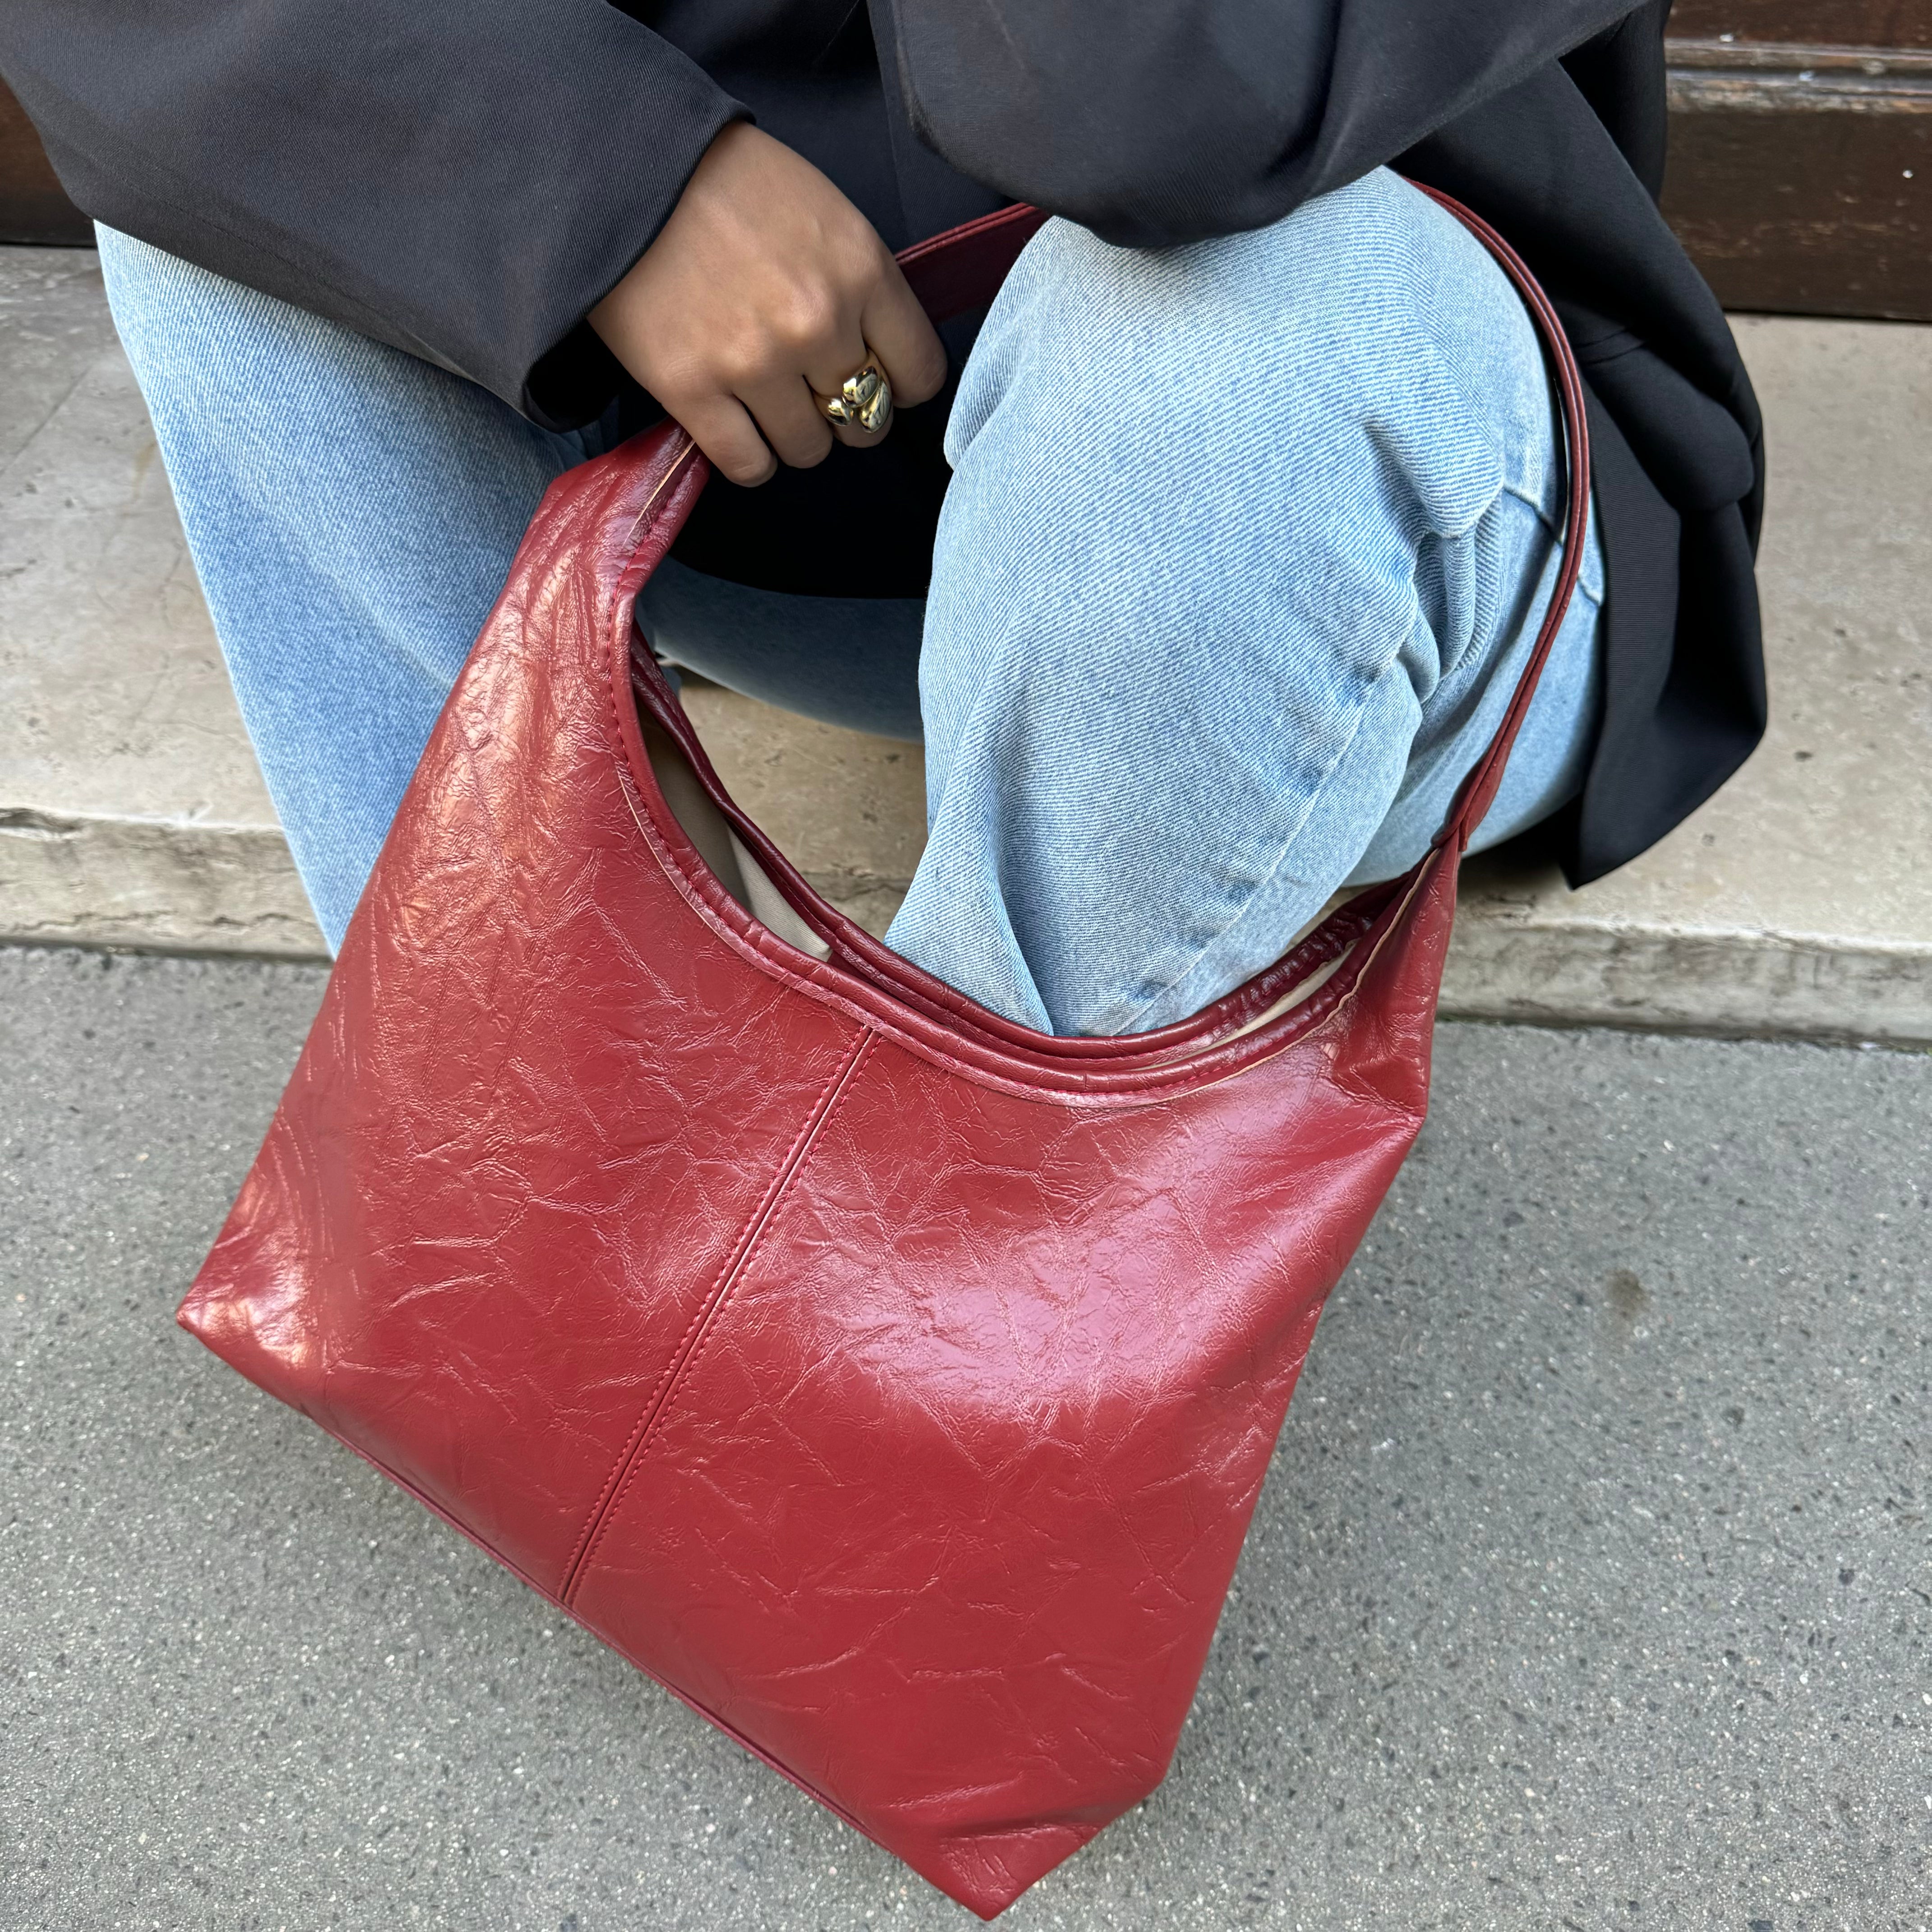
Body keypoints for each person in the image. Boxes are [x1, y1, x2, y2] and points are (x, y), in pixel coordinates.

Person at [0, 0, 1762, 1037]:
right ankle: (541, 1158)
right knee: (263, 187)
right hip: (751, 485)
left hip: (1340, 538)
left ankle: (936, 1291)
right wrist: (603, 179)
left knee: (1215, 345)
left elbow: (1142, 90)